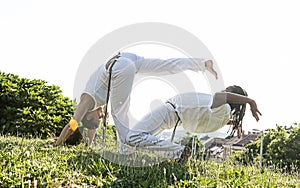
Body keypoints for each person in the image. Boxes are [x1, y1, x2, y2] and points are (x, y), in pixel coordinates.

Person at [55, 52, 218, 150]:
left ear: (86, 117)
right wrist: (88, 146)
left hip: (118, 66)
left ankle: (125, 152)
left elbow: (73, 124)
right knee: (165, 66)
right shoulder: (94, 106)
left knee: (120, 115)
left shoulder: (86, 100)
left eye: (95, 119)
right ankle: (202, 64)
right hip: (126, 58)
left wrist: (57, 144)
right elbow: (92, 128)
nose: (100, 118)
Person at [124, 85, 261, 161]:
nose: (224, 90)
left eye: (228, 89)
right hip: (173, 117)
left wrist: (250, 101)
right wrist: (233, 123)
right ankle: (128, 155)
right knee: (134, 139)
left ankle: (178, 152)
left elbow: (219, 97)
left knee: (132, 137)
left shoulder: (223, 107)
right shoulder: (223, 115)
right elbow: (206, 114)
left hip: (169, 112)